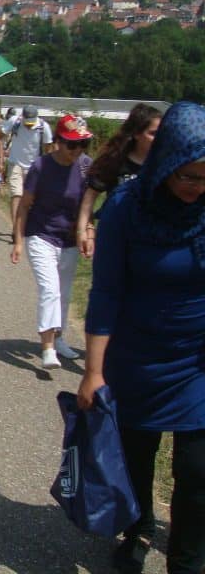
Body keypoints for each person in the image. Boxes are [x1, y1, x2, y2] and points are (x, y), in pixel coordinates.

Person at [77, 101, 205, 574]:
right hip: (136, 357)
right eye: (187, 176)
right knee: (136, 456)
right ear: (166, 162)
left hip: (198, 359)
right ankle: (139, 527)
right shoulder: (129, 208)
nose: (195, 188)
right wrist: (93, 371)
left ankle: (187, 561)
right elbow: (106, 292)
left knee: (197, 470)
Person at [9, 114, 93, 368]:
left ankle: (59, 338)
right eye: (71, 144)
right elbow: (24, 206)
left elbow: (87, 206)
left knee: (64, 294)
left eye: (82, 144)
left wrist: (88, 232)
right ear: (57, 141)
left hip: (68, 239)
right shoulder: (41, 167)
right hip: (40, 234)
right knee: (50, 290)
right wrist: (18, 241)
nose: (77, 150)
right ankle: (46, 347)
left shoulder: (86, 166)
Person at [75, 103, 162, 258]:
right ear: (136, 134)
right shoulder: (115, 161)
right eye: (153, 133)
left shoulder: (164, 163)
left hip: (152, 238)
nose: (158, 138)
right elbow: (89, 197)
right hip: (116, 236)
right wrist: (84, 231)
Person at [4, 105, 54, 238]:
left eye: (31, 123)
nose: (29, 126)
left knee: (30, 199)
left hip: (34, 167)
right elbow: (0, 134)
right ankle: (16, 229)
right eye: (27, 123)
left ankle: (29, 225)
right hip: (15, 163)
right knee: (16, 195)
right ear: (23, 117)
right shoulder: (15, 121)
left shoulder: (44, 127)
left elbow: (48, 148)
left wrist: (47, 168)